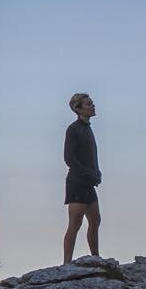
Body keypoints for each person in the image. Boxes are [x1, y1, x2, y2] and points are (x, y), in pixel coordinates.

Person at [62, 92, 101, 262]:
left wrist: (96, 172)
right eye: (88, 104)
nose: (92, 106)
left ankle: (95, 256)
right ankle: (67, 262)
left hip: (89, 182)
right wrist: (87, 173)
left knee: (95, 220)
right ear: (78, 109)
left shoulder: (87, 128)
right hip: (77, 182)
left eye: (92, 103)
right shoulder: (73, 129)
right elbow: (69, 158)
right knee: (75, 223)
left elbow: (91, 155)